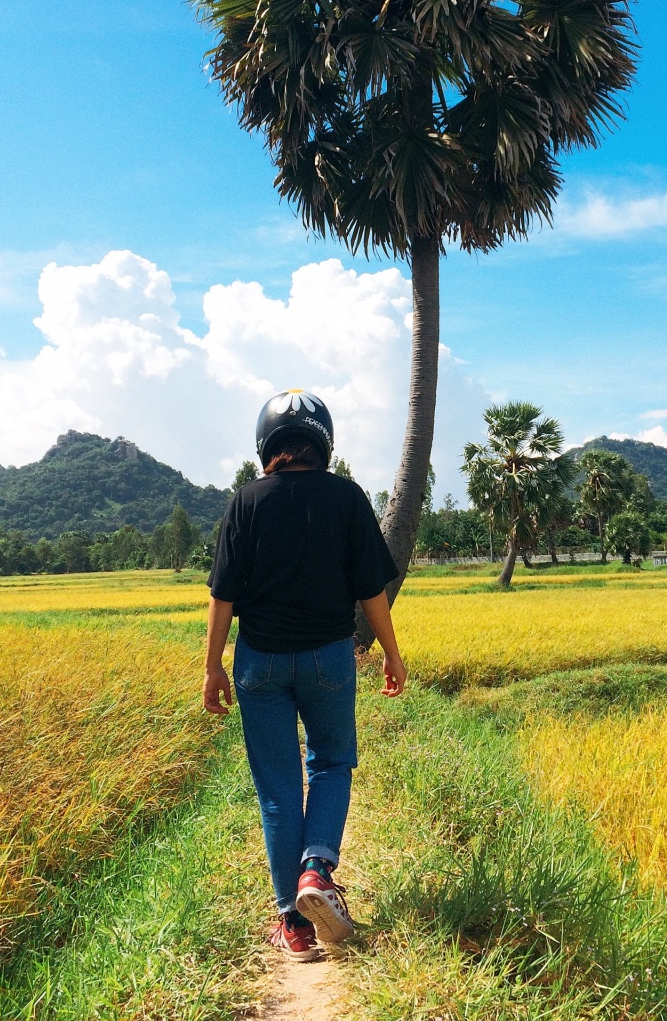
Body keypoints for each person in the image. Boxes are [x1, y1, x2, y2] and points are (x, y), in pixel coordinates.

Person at [203, 389, 407, 961]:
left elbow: (223, 596)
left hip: (259, 662)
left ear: (267, 445)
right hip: (329, 658)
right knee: (333, 763)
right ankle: (316, 869)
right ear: (324, 442)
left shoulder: (246, 501)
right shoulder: (347, 498)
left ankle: (291, 925)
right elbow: (371, 588)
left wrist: (212, 666)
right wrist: (391, 652)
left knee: (277, 788)